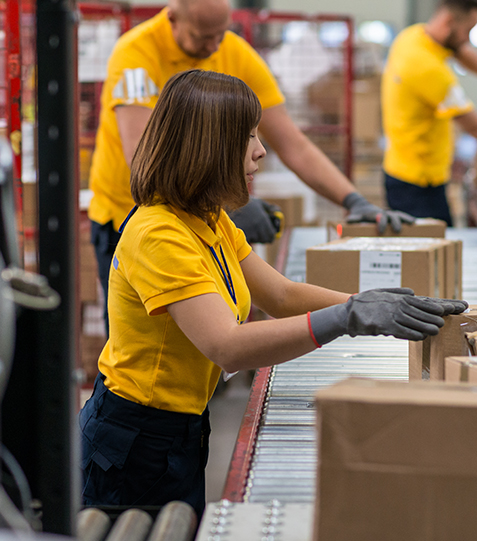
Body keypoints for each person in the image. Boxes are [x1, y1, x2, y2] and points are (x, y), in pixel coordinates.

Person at [79, 70, 468, 516]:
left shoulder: (208, 218)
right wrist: (346, 320)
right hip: (133, 440)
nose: (260, 151)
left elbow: (279, 294)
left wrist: (369, 303)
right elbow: (227, 347)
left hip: (180, 427)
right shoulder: (159, 234)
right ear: (208, 147)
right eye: (247, 137)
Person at [87, 0, 413, 329]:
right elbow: (147, 154)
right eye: (203, 37)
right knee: (155, 331)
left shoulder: (233, 51)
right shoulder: (136, 55)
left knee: (203, 331)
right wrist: (231, 204)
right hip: (127, 213)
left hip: (197, 211)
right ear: (172, 16)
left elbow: (292, 142)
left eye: (221, 34)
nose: (215, 46)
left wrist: (352, 200)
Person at [381, 0, 477, 226]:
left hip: (410, 172)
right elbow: (476, 128)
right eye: (468, 31)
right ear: (449, 22)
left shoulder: (413, 37)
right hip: (416, 185)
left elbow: (459, 50)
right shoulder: (428, 69)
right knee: (434, 252)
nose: (468, 40)